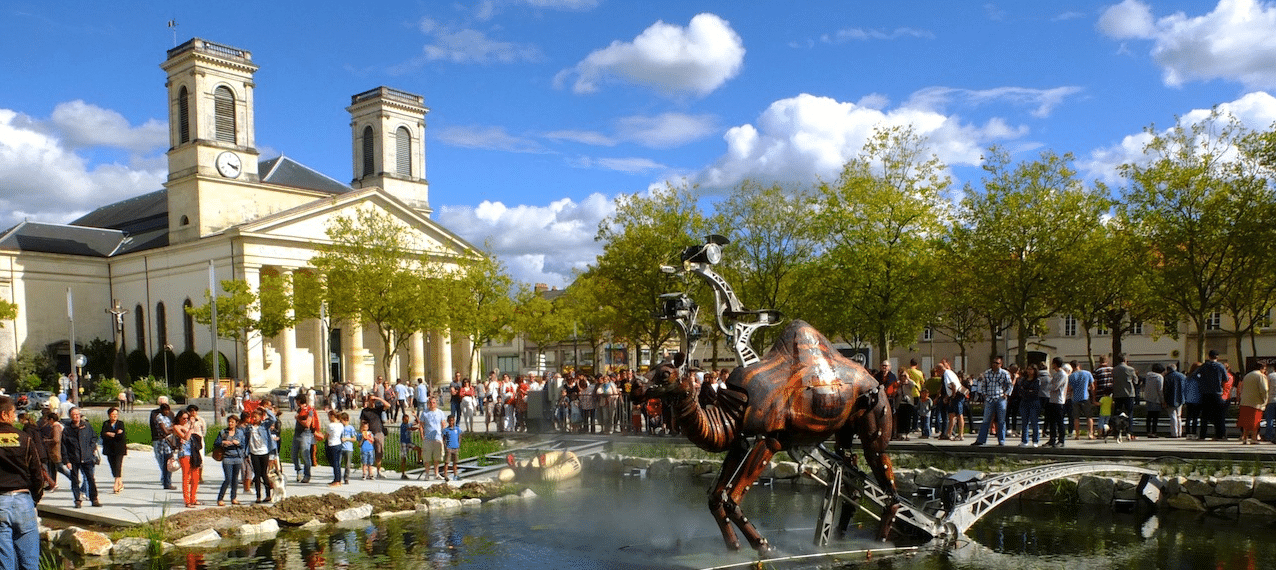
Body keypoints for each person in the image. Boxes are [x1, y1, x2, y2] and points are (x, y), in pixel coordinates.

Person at [0, 395, 44, 570]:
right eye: (12, 413)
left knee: (5, 561)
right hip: (23, 500)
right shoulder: (24, 438)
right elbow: (37, 474)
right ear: (4, 415)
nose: (14, 417)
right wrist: (35, 497)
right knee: (29, 561)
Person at [61, 406, 100, 508]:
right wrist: (66, 460)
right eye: (74, 415)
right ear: (70, 416)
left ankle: (94, 499)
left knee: (91, 479)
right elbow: (63, 445)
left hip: (87, 457)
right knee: (75, 480)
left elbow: (94, 437)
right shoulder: (67, 429)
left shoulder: (86, 426)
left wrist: (91, 449)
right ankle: (77, 500)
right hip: (74, 458)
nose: (76, 416)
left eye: (78, 414)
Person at [971, 356, 1012, 447]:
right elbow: (983, 385)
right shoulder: (987, 373)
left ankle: (1001, 441)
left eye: (997, 363)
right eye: (993, 362)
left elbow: (1010, 385)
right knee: (986, 420)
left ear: (1001, 364)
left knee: (1001, 420)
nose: (994, 364)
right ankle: (981, 440)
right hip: (989, 399)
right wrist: (985, 394)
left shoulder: (1005, 373)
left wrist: (1006, 394)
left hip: (1000, 398)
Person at [1191, 350, 1229, 441]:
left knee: (1204, 415)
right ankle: (1219, 435)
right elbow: (1226, 379)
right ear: (1217, 357)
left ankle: (1202, 435)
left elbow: (1194, 375)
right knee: (1218, 415)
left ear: (1209, 356)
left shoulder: (1204, 366)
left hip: (1205, 393)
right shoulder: (1220, 366)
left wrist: (1202, 381)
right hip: (1217, 393)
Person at [213, 414, 246, 506]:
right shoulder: (223, 432)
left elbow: (244, 444)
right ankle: (220, 498)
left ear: (236, 423)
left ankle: (233, 497)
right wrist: (223, 442)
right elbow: (216, 443)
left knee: (235, 479)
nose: (230, 423)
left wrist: (238, 443)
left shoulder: (240, 432)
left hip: (238, 457)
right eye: (229, 422)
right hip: (227, 457)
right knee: (228, 478)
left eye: (232, 422)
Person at [246, 407, 275, 503]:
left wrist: (266, 410)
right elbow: (246, 440)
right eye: (253, 417)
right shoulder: (249, 427)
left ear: (260, 417)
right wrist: (246, 453)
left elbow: (273, 419)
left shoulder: (264, 426)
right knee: (257, 475)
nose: (254, 419)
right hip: (254, 453)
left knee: (264, 474)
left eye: (256, 417)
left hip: (264, 452)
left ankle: (268, 495)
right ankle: (258, 496)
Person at [171, 409, 199, 508]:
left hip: (193, 452)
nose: (185, 420)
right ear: (179, 418)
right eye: (184, 418)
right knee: (186, 477)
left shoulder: (188, 426)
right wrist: (190, 430)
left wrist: (191, 426)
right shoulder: (176, 427)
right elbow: (185, 437)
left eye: (187, 418)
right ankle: (187, 501)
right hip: (184, 453)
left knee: (195, 476)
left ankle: (193, 498)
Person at [359, 394, 389, 478]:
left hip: (378, 432)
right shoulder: (365, 411)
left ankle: (378, 471)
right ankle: (367, 472)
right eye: (371, 400)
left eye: (373, 401)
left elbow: (388, 405)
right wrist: (362, 434)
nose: (372, 402)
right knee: (367, 453)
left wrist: (378, 398)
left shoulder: (378, 409)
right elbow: (362, 422)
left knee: (379, 452)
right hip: (368, 433)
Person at [1237, 362, 1268, 445]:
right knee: (1255, 421)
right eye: (1264, 369)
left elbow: (1241, 388)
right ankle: (1254, 438)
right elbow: (1264, 389)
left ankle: (1245, 438)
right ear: (1262, 368)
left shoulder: (1247, 376)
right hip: (1256, 402)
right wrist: (1265, 399)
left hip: (1245, 401)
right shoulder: (1261, 376)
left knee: (1246, 421)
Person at [418, 396, 448, 480]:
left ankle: (436, 473)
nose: (432, 404)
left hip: (437, 437)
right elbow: (421, 425)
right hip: (428, 438)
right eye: (430, 403)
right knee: (427, 457)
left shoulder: (440, 412)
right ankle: (427, 474)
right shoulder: (425, 413)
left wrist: (443, 434)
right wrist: (422, 436)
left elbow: (443, 423)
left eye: (434, 402)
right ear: (428, 403)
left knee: (437, 457)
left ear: (436, 403)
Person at [100, 407, 127, 494]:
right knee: (113, 466)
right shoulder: (106, 423)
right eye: (113, 415)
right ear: (109, 415)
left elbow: (121, 436)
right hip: (109, 449)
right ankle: (120, 482)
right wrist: (114, 433)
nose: (114, 416)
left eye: (116, 415)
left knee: (118, 465)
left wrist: (110, 434)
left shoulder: (120, 423)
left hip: (119, 448)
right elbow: (103, 434)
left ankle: (116, 484)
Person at [1111, 354, 1139, 440]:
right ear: (1125, 360)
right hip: (1129, 394)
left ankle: (1117, 433)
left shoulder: (1114, 370)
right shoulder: (1130, 369)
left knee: (1117, 414)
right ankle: (1129, 433)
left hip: (1117, 394)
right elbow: (1136, 381)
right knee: (1129, 414)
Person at [149, 398, 175, 490]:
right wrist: (173, 429)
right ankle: (166, 482)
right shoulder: (159, 417)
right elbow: (165, 431)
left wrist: (171, 429)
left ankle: (167, 481)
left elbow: (172, 426)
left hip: (169, 443)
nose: (167, 412)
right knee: (165, 463)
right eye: (165, 410)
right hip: (162, 443)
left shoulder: (169, 416)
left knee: (169, 464)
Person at [1067, 360, 1096, 439]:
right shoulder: (1087, 373)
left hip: (1075, 398)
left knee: (1076, 417)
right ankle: (1090, 434)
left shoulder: (1071, 376)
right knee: (1089, 416)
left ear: (1072, 367)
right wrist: (1093, 398)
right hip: (1085, 397)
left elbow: (1069, 389)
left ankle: (1077, 435)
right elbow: (1092, 387)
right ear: (1079, 365)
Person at [292, 398, 319, 483]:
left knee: (305, 455)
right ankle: (299, 471)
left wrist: (298, 419)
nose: (296, 403)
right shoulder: (299, 410)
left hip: (305, 434)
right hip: (297, 434)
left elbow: (307, 424)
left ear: (300, 401)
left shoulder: (309, 410)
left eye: (297, 401)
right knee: (294, 454)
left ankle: (307, 475)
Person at [1045, 357, 1069, 448]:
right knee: (1052, 422)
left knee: (1060, 421)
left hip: (1059, 401)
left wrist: (1050, 386)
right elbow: (1050, 385)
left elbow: (1054, 386)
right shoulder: (1056, 374)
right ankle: (1052, 439)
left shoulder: (1062, 374)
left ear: (1055, 364)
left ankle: (1061, 440)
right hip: (1052, 400)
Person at [1018, 364, 1042, 447]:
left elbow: (1035, 392)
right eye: (1028, 369)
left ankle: (1035, 441)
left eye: (1031, 369)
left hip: (1034, 402)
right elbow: (1020, 390)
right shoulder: (1023, 380)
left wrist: (1026, 391)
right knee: (1024, 422)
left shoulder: (1037, 380)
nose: (1029, 371)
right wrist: (1027, 391)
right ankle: (1024, 440)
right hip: (1024, 402)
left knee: (1034, 421)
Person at [940, 359, 965, 440]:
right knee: (951, 415)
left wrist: (953, 396)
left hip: (957, 394)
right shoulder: (949, 372)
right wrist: (947, 397)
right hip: (954, 394)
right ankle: (949, 433)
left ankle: (961, 435)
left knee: (959, 415)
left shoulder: (946, 374)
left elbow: (953, 385)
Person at [1143, 363, 1167, 438]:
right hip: (1156, 399)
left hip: (1148, 398)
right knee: (1155, 417)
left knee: (1149, 416)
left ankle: (1148, 431)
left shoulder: (1148, 376)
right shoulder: (1159, 377)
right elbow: (1160, 389)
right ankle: (1154, 432)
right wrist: (1162, 400)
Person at [1164, 363, 1186, 438]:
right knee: (1179, 416)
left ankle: (1174, 433)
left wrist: (1164, 400)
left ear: (1168, 369)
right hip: (1181, 398)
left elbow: (1165, 390)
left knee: (1173, 416)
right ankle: (1180, 432)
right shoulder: (1182, 376)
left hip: (1170, 398)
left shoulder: (1167, 377)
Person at [324, 410, 345, 486]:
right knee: (337, 463)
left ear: (332, 416)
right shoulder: (341, 425)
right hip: (339, 444)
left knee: (334, 463)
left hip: (332, 445)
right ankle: (338, 479)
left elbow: (327, 435)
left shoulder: (330, 425)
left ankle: (336, 480)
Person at [441, 415, 462, 481]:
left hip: (455, 447)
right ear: (448, 421)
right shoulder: (446, 430)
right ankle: (445, 475)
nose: (451, 422)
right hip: (449, 447)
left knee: (455, 462)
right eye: (449, 421)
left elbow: (459, 437)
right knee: (447, 462)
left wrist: (458, 445)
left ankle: (455, 474)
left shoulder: (457, 429)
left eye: (452, 421)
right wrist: (445, 447)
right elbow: (443, 439)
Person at [398, 413, 418, 480]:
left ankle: (419, 460)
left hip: (409, 442)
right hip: (404, 443)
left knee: (419, 449)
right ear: (403, 419)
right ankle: (403, 473)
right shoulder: (403, 425)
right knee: (404, 458)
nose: (406, 421)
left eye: (407, 419)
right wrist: (417, 428)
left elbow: (417, 422)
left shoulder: (409, 424)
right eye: (405, 419)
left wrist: (415, 416)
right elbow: (410, 428)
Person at [340, 412, 356, 484]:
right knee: (338, 463)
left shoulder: (350, 428)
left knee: (347, 464)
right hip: (340, 447)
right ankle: (338, 478)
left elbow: (354, 439)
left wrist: (346, 439)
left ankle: (346, 478)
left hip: (348, 448)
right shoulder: (340, 427)